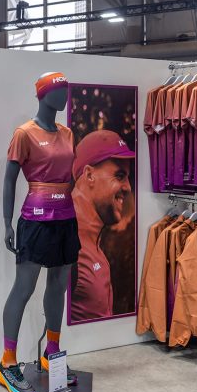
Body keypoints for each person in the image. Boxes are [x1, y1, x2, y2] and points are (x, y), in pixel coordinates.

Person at [0, 73, 78, 392]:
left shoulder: (68, 133)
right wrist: (7, 223)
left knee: (58, 285)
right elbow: (9, 180)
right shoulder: (24, 134)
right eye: (60, 90)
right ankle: (7, 362)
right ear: (44, 95)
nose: (65, 96)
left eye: (67, 90)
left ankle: (51, 352)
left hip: (66, 218)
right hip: (35, 221)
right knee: (24, 288)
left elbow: (70, 176)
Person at [70, 130, 135, 323]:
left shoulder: (91, 244)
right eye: (120, 175)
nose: (128, 187)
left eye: (127, 177)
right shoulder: (70, 243)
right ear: (89, 175)